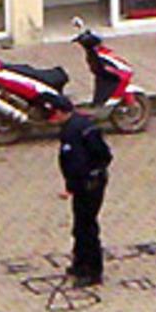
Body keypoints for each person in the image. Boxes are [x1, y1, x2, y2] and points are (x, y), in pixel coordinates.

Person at [47, 96, 113, 288]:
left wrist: (83, 180)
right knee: (80, 226)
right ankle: (80, 263)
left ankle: (92, 271)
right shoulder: (79, 125)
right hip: (85, 183)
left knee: (87, 228)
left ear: (60, 112)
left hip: (89, 185)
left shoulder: (74, 132)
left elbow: (80, 162)